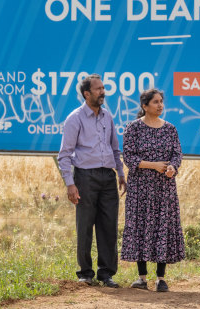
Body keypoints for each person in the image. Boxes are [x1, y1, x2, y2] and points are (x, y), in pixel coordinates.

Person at [58, 74, 126, 288]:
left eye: (103, 88)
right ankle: (85, 273)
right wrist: (70, 183)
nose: (102, 92)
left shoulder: (107, 116)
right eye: (98, 89)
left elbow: (115, 148)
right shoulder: (75, 118)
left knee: (108, 226)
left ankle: (106, 274)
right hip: (85, 177)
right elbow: (65, 154)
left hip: (108, 177)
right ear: (87, 94)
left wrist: (121, 174)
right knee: (85, 225)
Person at [121, 88, 185, 292]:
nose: (160, 105)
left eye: (161, 101)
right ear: (144, 106)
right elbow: (129, 157)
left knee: (162, 227)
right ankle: (141, 277)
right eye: (155, 102)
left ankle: (160, 278)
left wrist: (172, 167)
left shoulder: (170, 129)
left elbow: (177, 154)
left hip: (164, 189)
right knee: (141, 227)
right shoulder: (133, 128)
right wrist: (153, 165)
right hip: (140, 188)